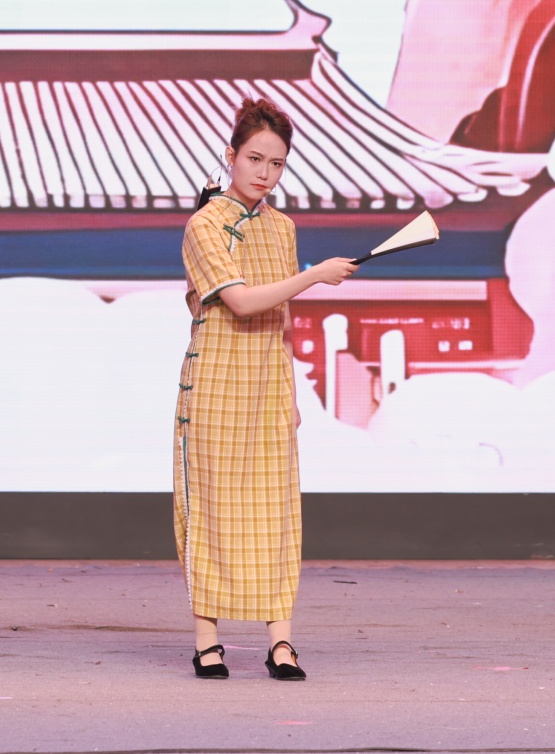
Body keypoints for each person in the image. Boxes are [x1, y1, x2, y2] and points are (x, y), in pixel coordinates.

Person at [176, 96, 356, 682]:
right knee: (211, 510)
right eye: (254, 158)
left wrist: (293, 392)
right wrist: (315, 275)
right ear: (230, 155)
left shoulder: (283, 227)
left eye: (276, 164)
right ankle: (207, 641)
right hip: (215, 380)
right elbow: (242, 301)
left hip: (268, 381)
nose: (264, 173)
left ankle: (281, 641)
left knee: (275, 512)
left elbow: (282, 320)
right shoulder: (205, 225)